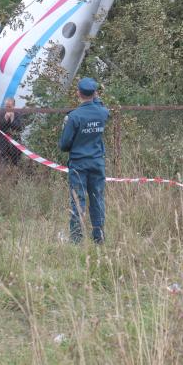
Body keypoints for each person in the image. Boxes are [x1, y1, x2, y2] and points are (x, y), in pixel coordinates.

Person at [59, 77, 109, 244]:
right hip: (97, 162)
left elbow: (64, 145)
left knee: (77, 200)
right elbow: (101, 106)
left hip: (79, 164)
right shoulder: (102, 112)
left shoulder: (74, 117)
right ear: (95, 93)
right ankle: (99, 237)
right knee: (97, 198)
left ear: (78, 93)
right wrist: (96, 98)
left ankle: (76, 239)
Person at [0, 97, 23, 165]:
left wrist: (12, 120)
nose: (7, 108)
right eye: (6, 106)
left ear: (13, 106)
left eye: (9, 106)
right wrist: (5, 119)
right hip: (3, 143)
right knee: (4, 162)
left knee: (15, 162)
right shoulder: (0, 113)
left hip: (15, 142)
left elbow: (20, 128)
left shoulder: (17, 114)